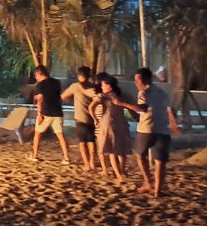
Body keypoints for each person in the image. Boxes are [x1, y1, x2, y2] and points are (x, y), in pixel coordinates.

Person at [113, 68, 179, 197]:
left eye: (138, 80)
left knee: (140, 155)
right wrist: (173, 124)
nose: (136, 83)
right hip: (163, 130)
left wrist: (121, 103)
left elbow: (142, 108)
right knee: (160, 162)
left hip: (146, 130)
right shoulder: (162, 93)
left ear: (145, 79)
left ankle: (148, 183)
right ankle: (157, 190)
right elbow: (170, 110)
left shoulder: (144, 93)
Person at [92, 73, 132, 182]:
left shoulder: (104, 96)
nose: (101, 87)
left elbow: (91, 107)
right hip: (121, 123)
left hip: (109, 124)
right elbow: (130, 108)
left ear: (109, 86)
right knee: (120, 149)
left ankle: (118, 174)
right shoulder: (120, 95)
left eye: (103, 85)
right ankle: (121, 171)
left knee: (112, 151)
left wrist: (95, 119)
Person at [29, 66, 70, 165]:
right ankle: (66, 157)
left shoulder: (40, 85)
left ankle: (35, 155)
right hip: (57, 112)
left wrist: (39, 114)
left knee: (38, 133)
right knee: (60, 135)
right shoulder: (56, 82)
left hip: (46, 112)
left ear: (39, 74)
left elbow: (40, 99)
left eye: (36, 76)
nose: (36, 78)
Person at [61, 67, 100, 172]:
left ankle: (86, 164)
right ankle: (92, 163)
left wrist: (71, 101)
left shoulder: (75, 86)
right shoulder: (93, 87)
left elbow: (63, 96)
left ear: (79, 76)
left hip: (80, 117)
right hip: (91, 118)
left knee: (82, 142)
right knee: (91, 141)